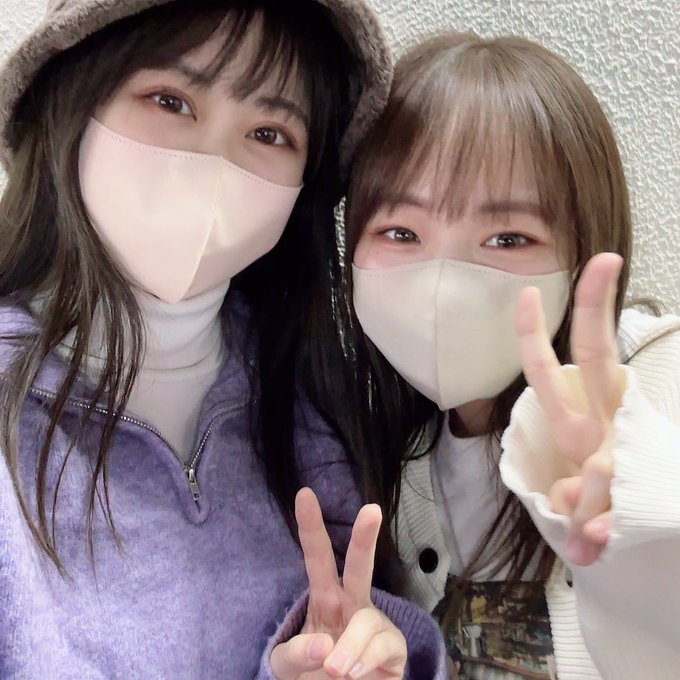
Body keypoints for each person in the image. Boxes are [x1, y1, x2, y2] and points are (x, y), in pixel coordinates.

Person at [0, 1, 448, 678]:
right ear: (73, 100)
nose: (211, 160)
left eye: (269, 133)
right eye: (170, 100)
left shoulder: (308, 404)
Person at [338, 31, 680, 679]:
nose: (444, 285)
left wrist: (645, 515)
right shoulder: (388, 467)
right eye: (401, 231)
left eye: (507, 238)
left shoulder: (660, 381)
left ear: (583, 249)